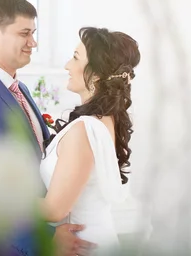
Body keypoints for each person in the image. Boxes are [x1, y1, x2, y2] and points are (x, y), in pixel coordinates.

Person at [0, 0, 94, 256]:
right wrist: (43, 240)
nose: (32, 43)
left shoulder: (19, 88)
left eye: (33, 33)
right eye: (24, 33)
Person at [39, 27, 141, 252]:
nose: (67, 65)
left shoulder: (85, 129)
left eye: (75, 57)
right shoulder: (106, 120)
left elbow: (54, 210)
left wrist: (0, 199)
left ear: (96, 74)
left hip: (82, 246)